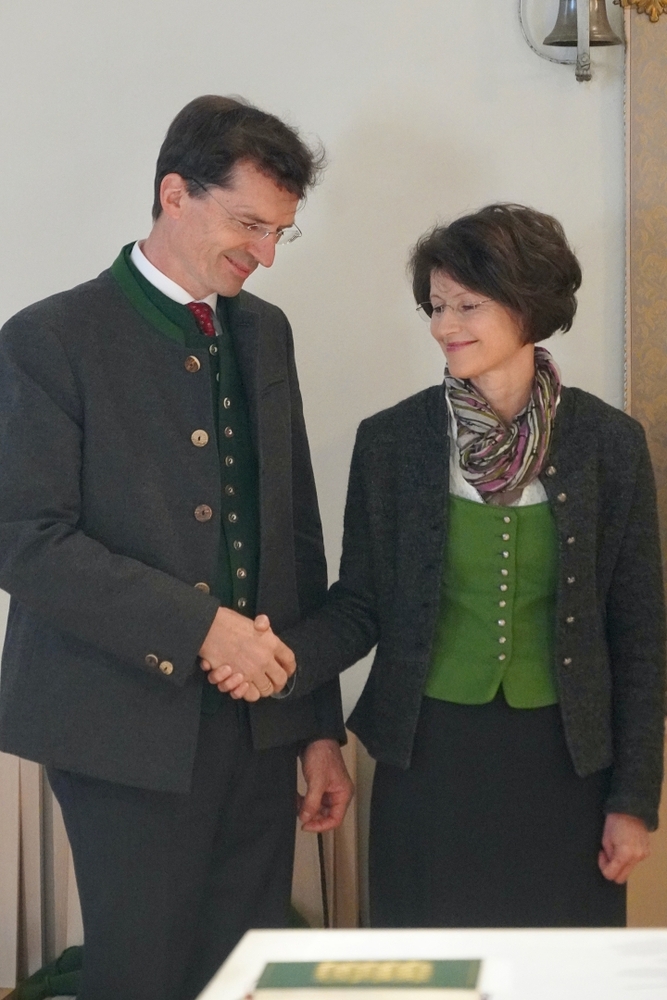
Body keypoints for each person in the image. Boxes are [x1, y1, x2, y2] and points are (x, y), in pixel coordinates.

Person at [215, 203, 666, 927]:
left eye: (467, 305)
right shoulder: (392, 441)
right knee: (429, 965)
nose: (442, 325)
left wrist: (633, 800)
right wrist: (280, 660)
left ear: (528, 306)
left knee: (558, 968)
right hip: (426, 760)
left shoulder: (609, 444)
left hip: (570, 768)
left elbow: (639, 633)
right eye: (435, 306)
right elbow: (360, 604)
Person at [0, 95, 353, 1000]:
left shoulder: (265, 331)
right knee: (143, 976)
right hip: (119, 725)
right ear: (173, 194)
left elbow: (295, 538)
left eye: (279, 233)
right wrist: (202, 628)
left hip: (262, 727)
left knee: (246, 978)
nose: (264, 254)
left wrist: (315, 726)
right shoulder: (48, 338)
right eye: (248, 224)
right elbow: (24, 539)